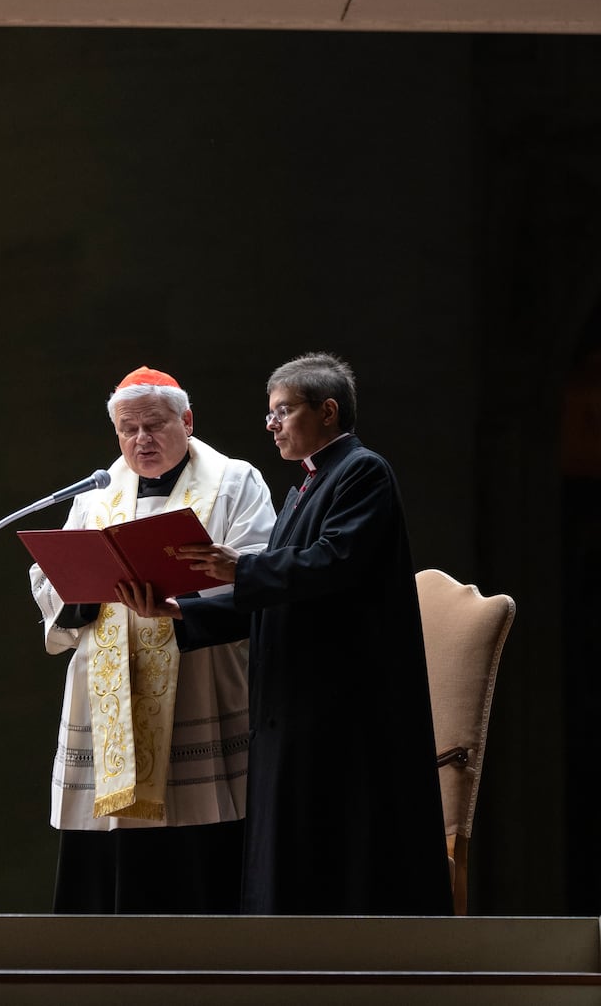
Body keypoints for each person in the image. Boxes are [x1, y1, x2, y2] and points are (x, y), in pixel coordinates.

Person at [118, 352, 452, 916]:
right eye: (269, 413)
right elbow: (274, 599)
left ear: (327, 411)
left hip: (341, 704)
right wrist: (182, 610)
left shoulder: (362, 472)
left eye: (284, 411)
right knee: (293, 847)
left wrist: (239, 569)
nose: (271, 423)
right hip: (295, 700)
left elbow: (333, 562)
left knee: (337, 851)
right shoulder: (303, 491)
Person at [28, 366, 276, 914]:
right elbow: (53, 578)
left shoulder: (235, 482)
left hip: (201, 682)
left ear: (186, 420)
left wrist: (181, 608)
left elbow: (259, 572)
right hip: (107, 691)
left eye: (155, 425)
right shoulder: (97, 493)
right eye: (128, 429)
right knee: (109, 855)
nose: (141, 440)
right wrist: (85, 593)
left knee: (199, 850)